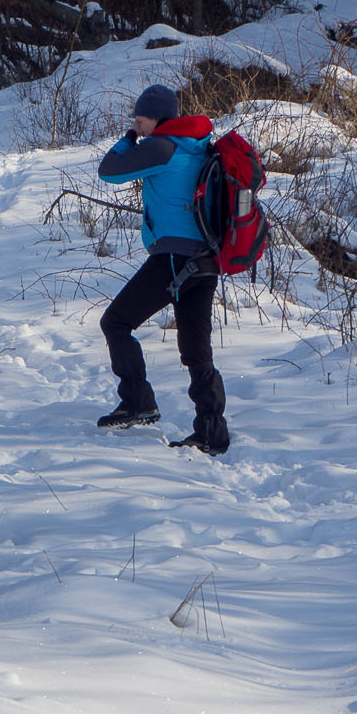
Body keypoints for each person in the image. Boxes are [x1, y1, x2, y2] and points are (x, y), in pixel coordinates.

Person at [93, 83, 230, 455]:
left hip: (172, 258)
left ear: (155, 117)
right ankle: (211, 430)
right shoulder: (199, 145)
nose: (137, 125)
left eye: (140, 119)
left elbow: (109, 171)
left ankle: (138, 402)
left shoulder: (161, 146)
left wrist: (127, 140)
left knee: (116, 322)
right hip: (206, 258)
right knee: (196, 349)